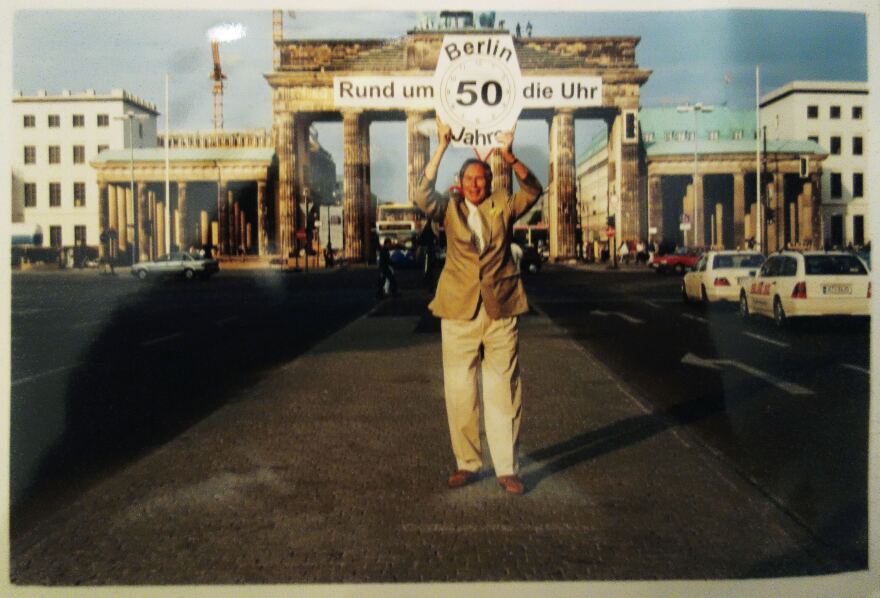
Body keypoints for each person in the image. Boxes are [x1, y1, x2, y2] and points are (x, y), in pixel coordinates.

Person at [414, 118, 543, 495]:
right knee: (460, 391)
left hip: (500, 307)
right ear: (460, 183)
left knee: (504, 390)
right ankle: (468, 463)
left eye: (481, 179)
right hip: (458, 310)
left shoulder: (504, 205)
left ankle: (507, 468)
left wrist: (510, 156)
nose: (475, 185)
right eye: (469, 179)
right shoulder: (448, 209)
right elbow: (421, 192)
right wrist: (440, 146)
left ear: (489, 183)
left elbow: (534, 190)